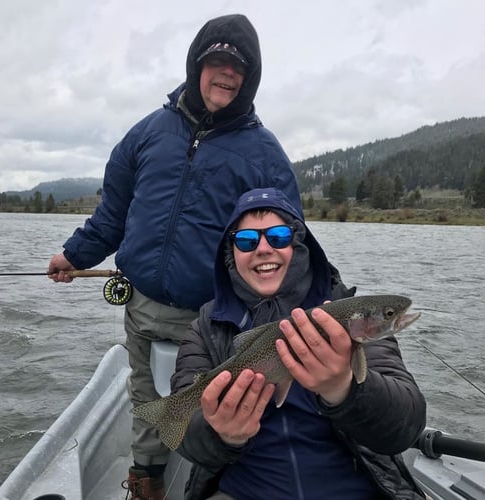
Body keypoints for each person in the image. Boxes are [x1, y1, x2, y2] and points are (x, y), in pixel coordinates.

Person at [48, 14, 306, 500]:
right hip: (144, 308)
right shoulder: (146, 133)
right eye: (218, 61)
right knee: (147, 397)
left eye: (239, 67)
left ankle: (215, 481)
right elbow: (113, 213)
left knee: (221, 402)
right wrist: (74, 255)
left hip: (219, 318)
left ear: (251, 79)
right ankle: (146, 478)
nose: (227, 73)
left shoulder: (264, 153)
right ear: (197, 65)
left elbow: (288, 241)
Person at [170, 187, 427, 500]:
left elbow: (405, 426)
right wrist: (221, 434)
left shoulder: (342, 308)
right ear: (231, 253)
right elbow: (182, 430)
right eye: (247, 241)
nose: (263, 249)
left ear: (298, 244)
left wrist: (344, 388)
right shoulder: (206, 328)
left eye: (277, 236)